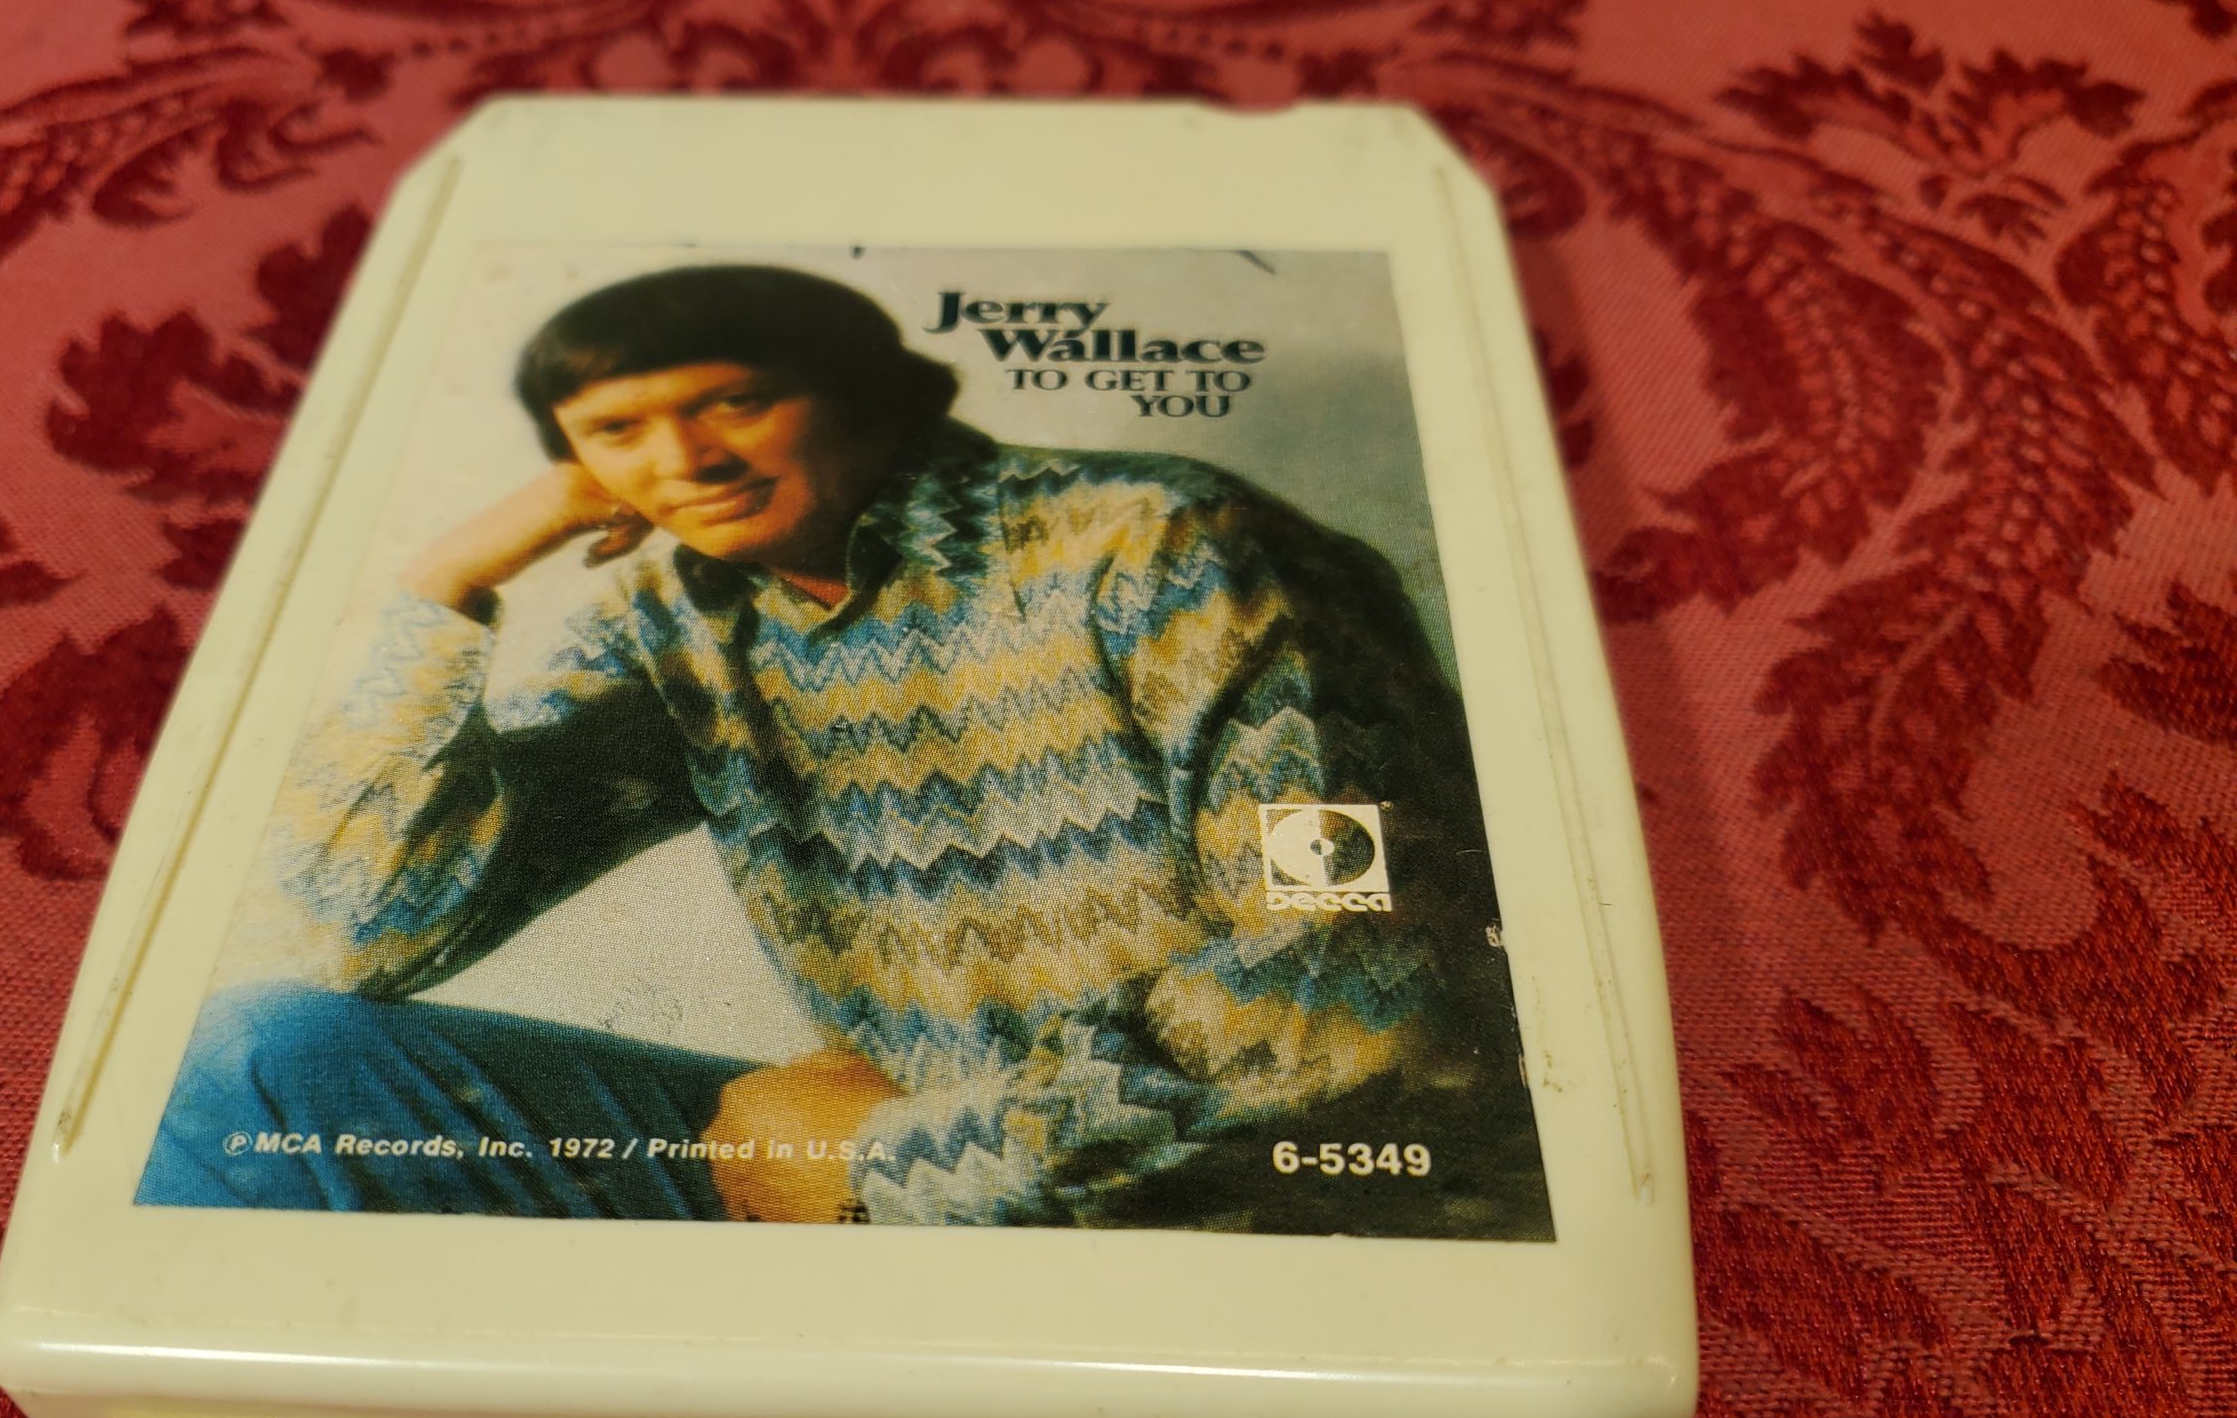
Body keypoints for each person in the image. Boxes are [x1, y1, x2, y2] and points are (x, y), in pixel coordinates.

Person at [136, 264, 1546, 1235]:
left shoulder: (1165, 550)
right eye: (619, 431)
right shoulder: (684, 617)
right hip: (902, 1182)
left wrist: (904, 1160)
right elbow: (366, 932)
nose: (683, 460)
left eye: (733, 401)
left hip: (1235, 1206)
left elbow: (1357, 994)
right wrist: (439, 594)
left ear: (873, 395)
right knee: (263, 1063)